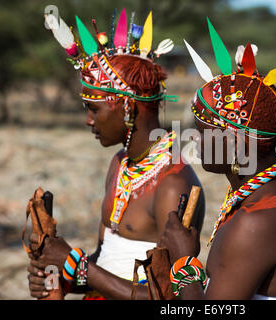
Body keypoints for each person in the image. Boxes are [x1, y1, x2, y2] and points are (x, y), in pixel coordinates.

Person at [27, 10, 205, 299]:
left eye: (94, 108)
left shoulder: (173, 184)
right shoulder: (120, 163)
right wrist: (60, 276)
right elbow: (105, 264)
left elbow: (170, 298)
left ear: (127, 107)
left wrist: (74, 264)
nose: (88, 120)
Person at [160, 20, 276, 300]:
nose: (192, 137)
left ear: (235, 142)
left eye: (203, 131)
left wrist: (183, 259)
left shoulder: (254, 224)